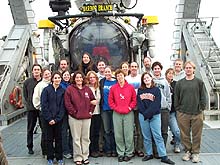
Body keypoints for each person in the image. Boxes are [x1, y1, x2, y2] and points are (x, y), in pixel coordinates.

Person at [137, 72, 175, 165]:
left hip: (155, 115)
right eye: (144, 78)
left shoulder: (156, 90)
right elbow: (139, 104)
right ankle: (149, 154)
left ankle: (163, 155)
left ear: (151, 78)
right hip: (143, 115)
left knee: (158, 136)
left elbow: (156, 104)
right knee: (146, 136)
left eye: (148, 78)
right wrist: (145, 114)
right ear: (143, 80)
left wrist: (148, 114)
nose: (146, 79)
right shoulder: (140, 90)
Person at [174, 61, 206, 163]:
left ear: (194, 69)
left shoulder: (199, 82)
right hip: (183, 113)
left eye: (190, 68)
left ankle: (196, 153)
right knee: (184, 134)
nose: (188, 69)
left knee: (197, 134)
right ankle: (188, 151)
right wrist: (178, 108)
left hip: (197, 113)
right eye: (186, 68)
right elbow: (176, 97)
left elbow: (203, 96)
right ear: (184, 69)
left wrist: (201, 108)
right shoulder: (179, 83)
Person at [64, 71, 96, 165]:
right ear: (74, 79)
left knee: (85, 138)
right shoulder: (70, 89)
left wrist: (90, 111)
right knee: (76, 138)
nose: (79, 79)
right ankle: (78, 157)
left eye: (80, 77)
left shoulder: (87, 89)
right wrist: (74, 113)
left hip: (86, 117)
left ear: (83, 78)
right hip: (74, 118)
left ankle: (85, 156)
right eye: (77, 77)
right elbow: (67, 103)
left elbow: (93, 101)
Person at [109, 69, 136, 162]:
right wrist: (116, 108)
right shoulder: (113, 88)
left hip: (128, 113)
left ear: (124, 76)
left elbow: (134, 100)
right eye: (118, 76)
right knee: (118, 134)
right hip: (117, 113)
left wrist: (129, 108)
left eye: (121, 75)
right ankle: (120, 152)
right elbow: (110, 101)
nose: (119, 77)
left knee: (128, 133)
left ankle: (129, 153)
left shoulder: (130, 87)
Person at [41, 71, 65, 165]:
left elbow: (63, 106)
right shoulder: (46, 90)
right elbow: (44, 105)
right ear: (52, 79)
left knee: (59, 139)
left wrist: (57, 119)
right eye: (55, 78)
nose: (57, 79)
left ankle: (59, 158)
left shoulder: (63, 91)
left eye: (59, 78)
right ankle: (50, 157)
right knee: (49, 139)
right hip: (47, 120)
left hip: (58, 120)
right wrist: (49, 118)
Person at [125, 62, 144, 157]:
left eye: (135, 66)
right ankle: (131, 149)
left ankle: (139, 149)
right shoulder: (126, 79)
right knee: (130, 130)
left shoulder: (141, 78)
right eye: (132, 66)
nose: (134, 68)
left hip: (140, 107)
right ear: (129, 68)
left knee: (139, 129)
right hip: (129, 107)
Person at [23, 64, 42, 154]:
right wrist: (30, 103)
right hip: (31, 109)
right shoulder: (27, 82)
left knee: (44, 128)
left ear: (40, 71)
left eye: (38, 69)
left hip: (41, 109)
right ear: (32, 71)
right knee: (30, 128)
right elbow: (25, 95)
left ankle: (44, 147)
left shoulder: (43, 82)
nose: (36, 71)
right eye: (35, 69)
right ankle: (30, 146)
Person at [32, 68, 51, 157]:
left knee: (51, 132)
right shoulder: (40, 85)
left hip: (52, 112)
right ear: (43, 75)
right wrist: (40, 108)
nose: (47, 76)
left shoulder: (52, 84)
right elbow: (36, 98)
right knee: (45, 131)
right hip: (43, 112)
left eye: (49, 74)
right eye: (46, 74)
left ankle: (51, 149)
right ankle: (45, 150)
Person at [99, 66, 117, 157]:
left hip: (115, 109)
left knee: (114, 130)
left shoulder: (116, 81)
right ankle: (108, 149)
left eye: (109, 71)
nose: (107, 73)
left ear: (112, 72)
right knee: (107, 130)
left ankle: (114, 149)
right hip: (105, 109)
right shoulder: (102, 82)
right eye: (105, 72)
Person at [165, 68, 181, 153]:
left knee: (176, 130)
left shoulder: (176, 84)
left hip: (173, 111)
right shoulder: (163, 83)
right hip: (164, 111)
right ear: (166, 74)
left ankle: (177, 144)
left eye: (172, 73)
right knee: (163, 131)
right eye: (169, 73)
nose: (170, 75)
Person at [86, 71, 101, 158]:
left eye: (93, 77)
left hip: (98, 112)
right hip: (89, 113)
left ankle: (96, 149)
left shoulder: (99, 87)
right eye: (90, 77)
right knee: (90, 133)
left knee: (96, 132)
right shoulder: (86, 88)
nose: (92, 79)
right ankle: (91, 150)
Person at [60, 70, 73, 159]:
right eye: (64, 75)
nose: (66, 76)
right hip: (63, 113)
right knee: (64, 132)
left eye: (68, 75)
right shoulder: (60, 86)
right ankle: (65, 150)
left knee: (72, 132)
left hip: (71, 112)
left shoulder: (72, 85)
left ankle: (72, 149)